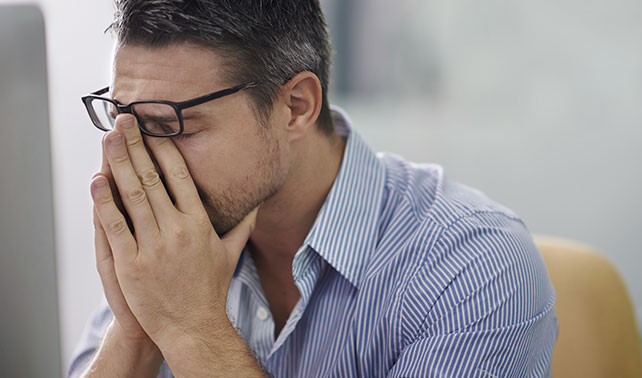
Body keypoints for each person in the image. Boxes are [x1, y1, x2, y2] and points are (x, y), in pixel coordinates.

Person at [70, 1, 557, 377]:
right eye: (121, 120)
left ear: (296, 107)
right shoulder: (173, 249)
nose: (137, 161)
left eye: (173, 125)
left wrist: (193, 330)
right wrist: (135, 331)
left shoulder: (474, 269)